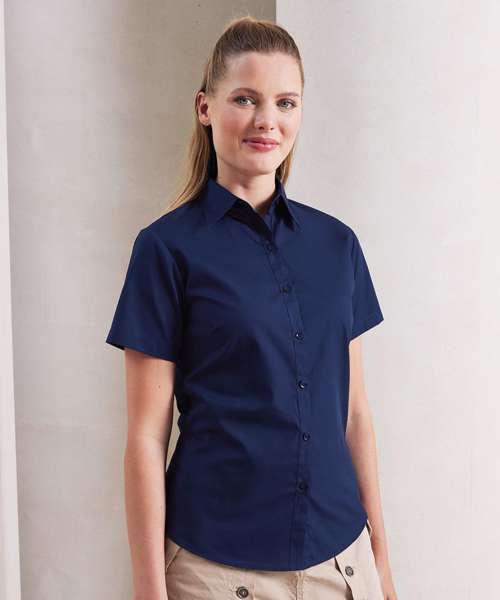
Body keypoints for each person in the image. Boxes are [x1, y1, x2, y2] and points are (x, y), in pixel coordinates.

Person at [105, 15, 397, 600]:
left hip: (341, 565)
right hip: (215, 573)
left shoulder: (337, 245)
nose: (268, 120)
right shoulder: (165, 250)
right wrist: (148, 589)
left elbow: (355, 414)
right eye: (245, 99)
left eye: (286, 103)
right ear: (205, 107)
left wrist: (381, 560)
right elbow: (145, 436)